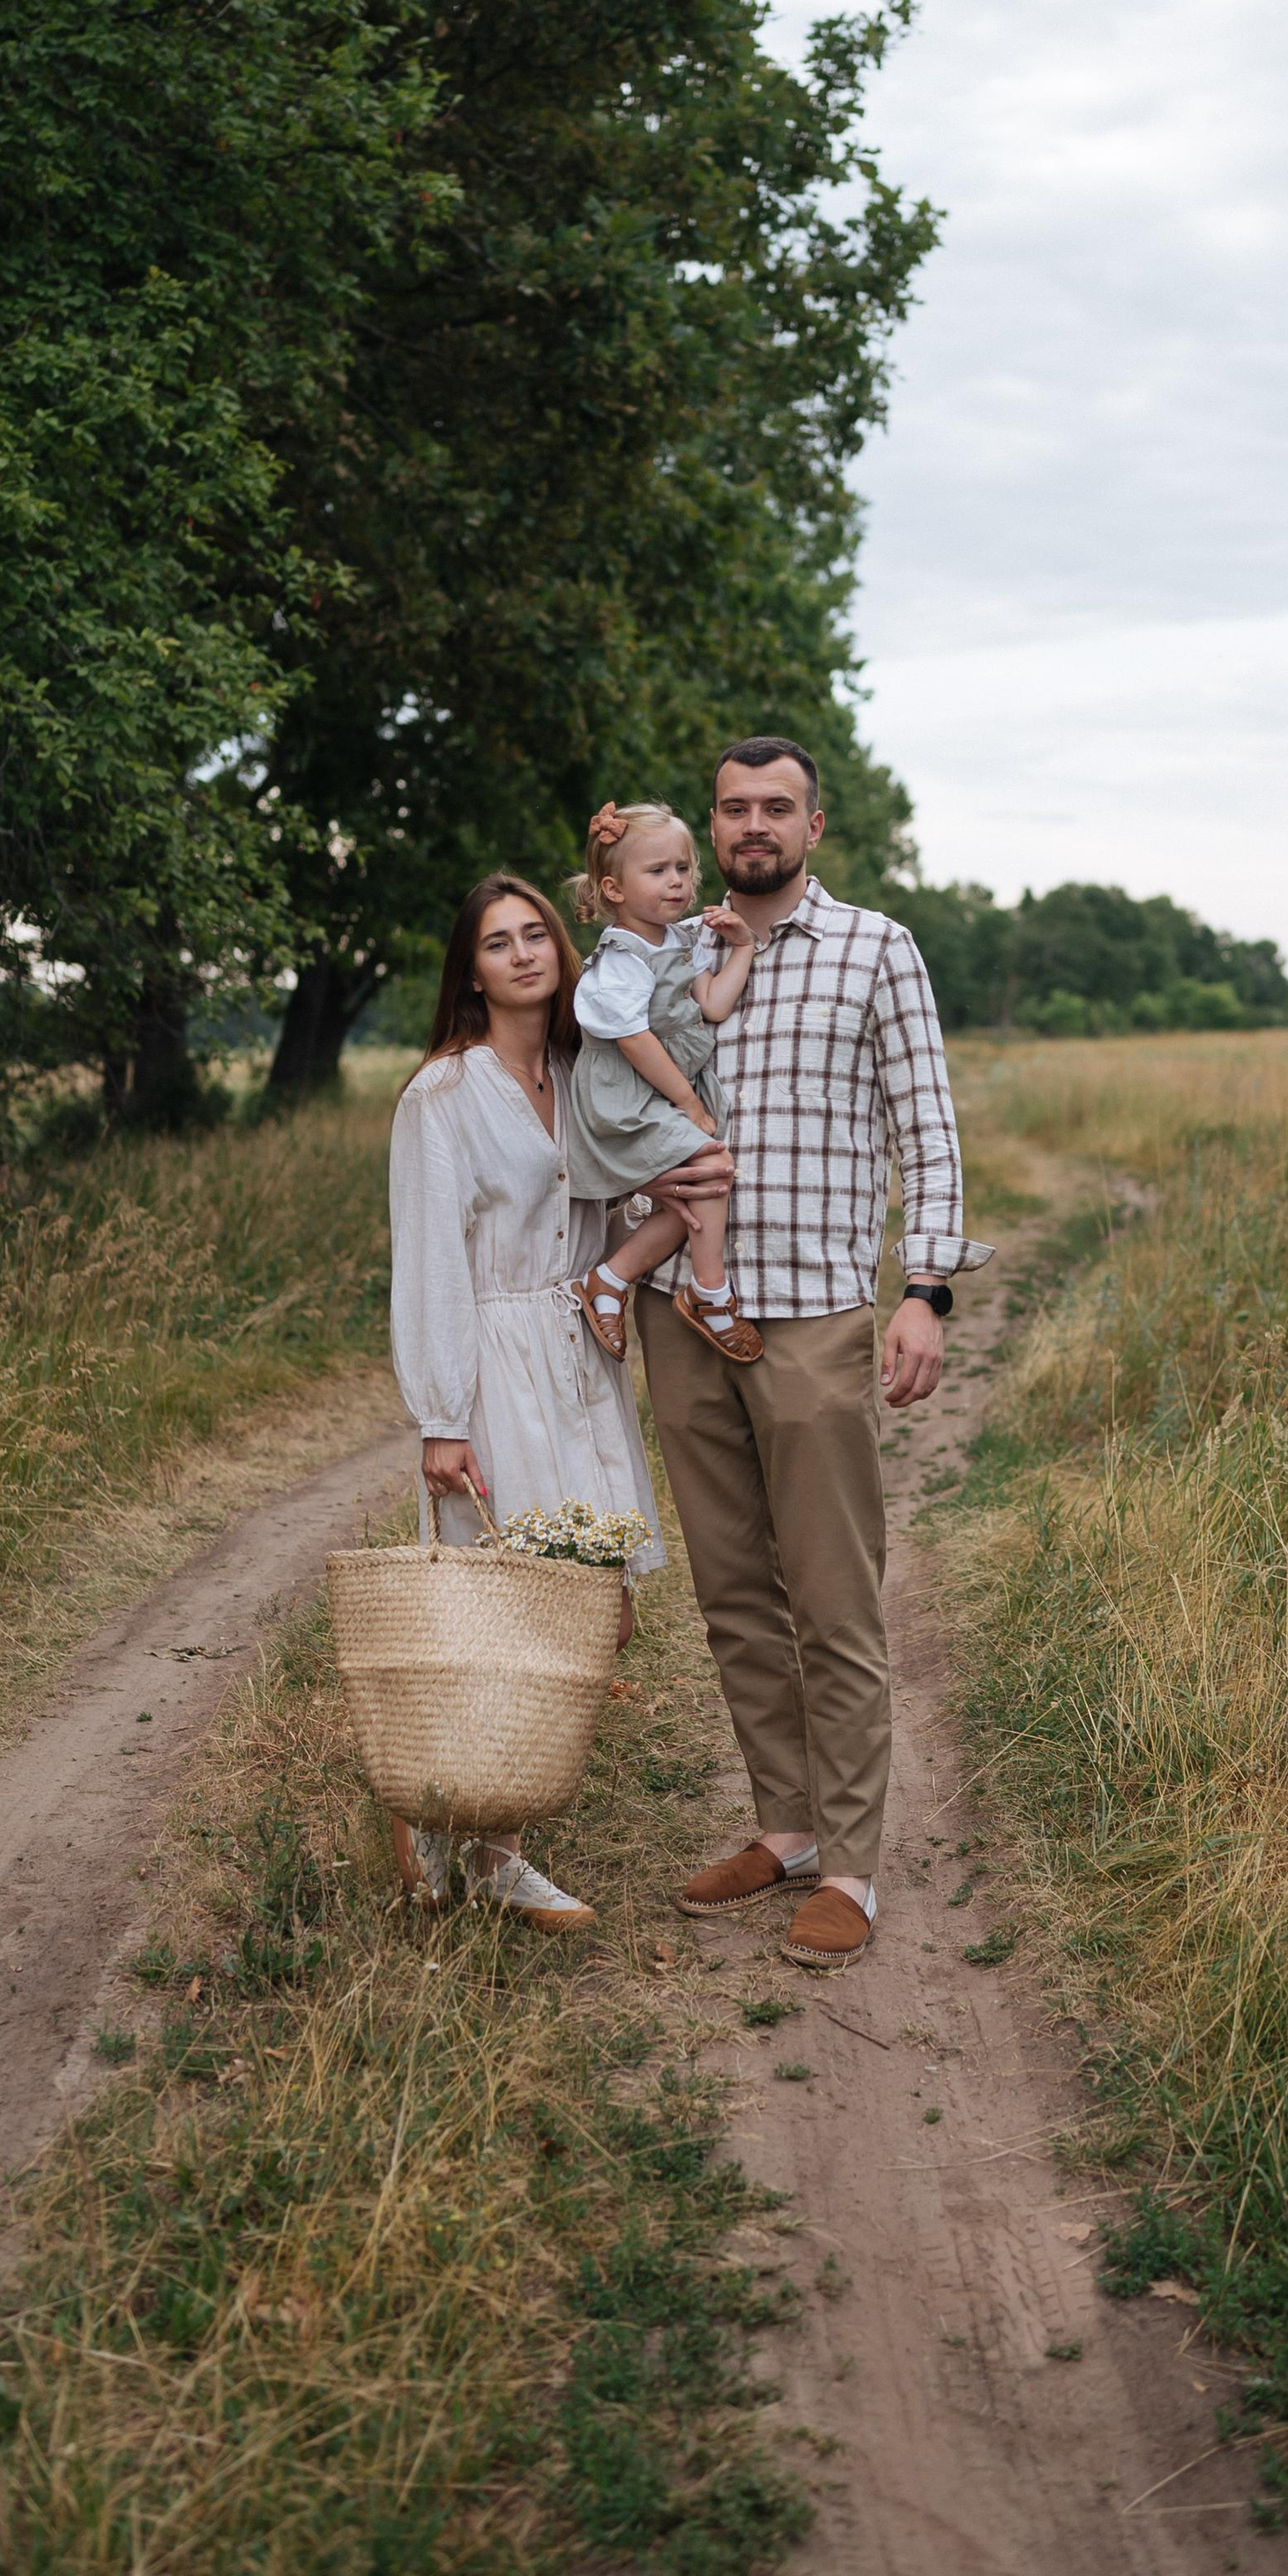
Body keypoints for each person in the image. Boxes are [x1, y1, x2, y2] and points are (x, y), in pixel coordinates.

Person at [631, 736, 991, 1975]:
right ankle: (782, 1831)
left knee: (832, 1598)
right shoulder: (672, 952)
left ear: (815, 826)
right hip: (681, 1314)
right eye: (732, 808)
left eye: (774, 807)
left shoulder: (875, 948)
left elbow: (926, 1130)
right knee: (732, 1594)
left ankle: (849, 1868)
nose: (751, 827)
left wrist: (925, 1291)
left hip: (813, 1318)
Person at [386, 871, 663, 1936]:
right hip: (494, 1358)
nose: (521, 952)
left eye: (535, 932)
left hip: (579, 1357)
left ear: (560, 945)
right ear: (471, 970)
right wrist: (442, 1416)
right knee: (508, 1607)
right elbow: (430, 1263)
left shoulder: (590, 1070)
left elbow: (634, 1192)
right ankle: (483, 1846)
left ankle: (457, 1823)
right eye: (496, 942)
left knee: (594, 1608)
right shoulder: (442, 1098)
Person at [562, 798, 761, 1365]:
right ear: (615, 889)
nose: (676, 883)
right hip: (630, 1095)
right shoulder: (621, 958)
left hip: (662, 1089)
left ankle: (610, 1278)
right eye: (657, 871)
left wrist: (742, 947)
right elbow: (634, 1041)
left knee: (692, 1197)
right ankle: (711, 1295)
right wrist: (688, 1103)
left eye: (682, 869)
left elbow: (714, 1004)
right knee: (712, 1165)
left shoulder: (680, 941)